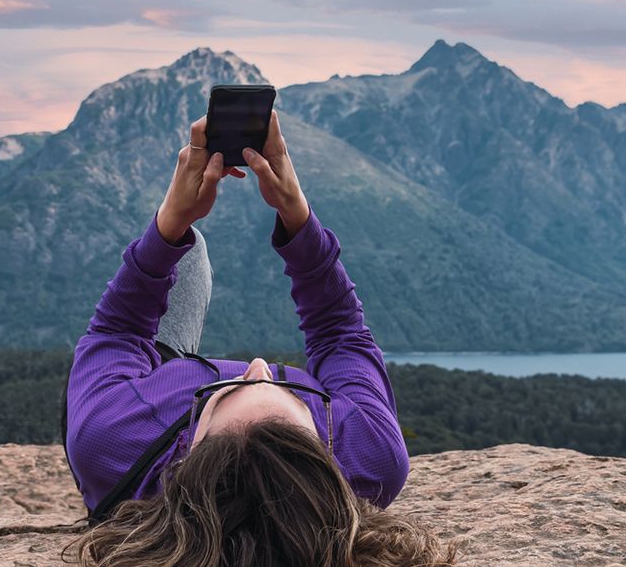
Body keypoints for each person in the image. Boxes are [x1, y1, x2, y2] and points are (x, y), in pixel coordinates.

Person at [62, 111, 453, 566]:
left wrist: (170, 221)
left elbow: (118, 331)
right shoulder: (371, 456)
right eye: (296, 395)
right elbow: (341, 337)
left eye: (224, 393)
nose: (259, 365)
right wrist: (297, 216)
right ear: (326, 460)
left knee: (190, 251)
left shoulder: (113, 437)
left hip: (154, 373)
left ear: (188, 454)